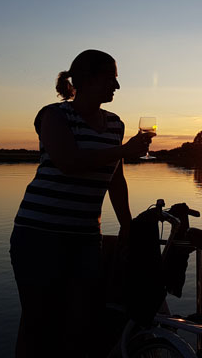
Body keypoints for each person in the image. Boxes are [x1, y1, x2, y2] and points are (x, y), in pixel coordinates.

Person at [10, 50, 152, 357]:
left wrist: (127, 227)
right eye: (111, 78)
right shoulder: (54, 115)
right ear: (87, 79)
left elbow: (116, 179)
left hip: (87, 238)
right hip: (38, 235)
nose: (117, 86)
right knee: (37, 323)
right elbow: (68, 162)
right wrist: (122, 152)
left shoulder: (115, 124)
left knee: (80, 323)